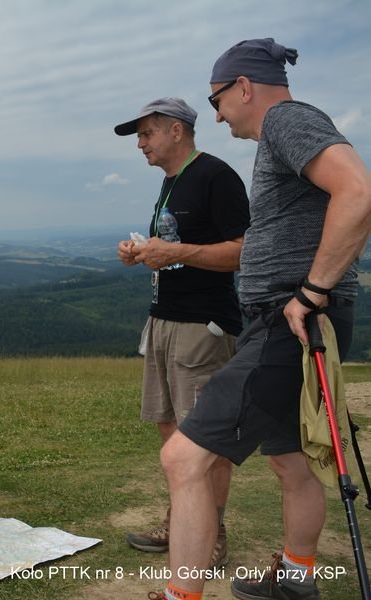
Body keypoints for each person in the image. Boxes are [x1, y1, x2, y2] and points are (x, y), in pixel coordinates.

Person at [154, 38, 371, 600]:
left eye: (218, 101)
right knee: (291, 463)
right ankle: (297, 580)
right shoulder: (283, 131)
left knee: (183, 457)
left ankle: (182, 595)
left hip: (289, 321)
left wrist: (312, 291)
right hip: (285, 318)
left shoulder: (286, 120)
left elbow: (358, 190)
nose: (217, 115)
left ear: (244, 87)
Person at [114, 97, 250, 568]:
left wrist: (175, 251)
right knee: (171, 428)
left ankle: (213, 533)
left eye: (146, 133)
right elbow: (176, 249)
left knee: (203, 436)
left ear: (176, 130)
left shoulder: (216, 176)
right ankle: (182, 522)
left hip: (203, 326)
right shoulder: (172, 182)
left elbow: (242, 251)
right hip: (165, 319)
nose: (140, 144)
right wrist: (142, 253)